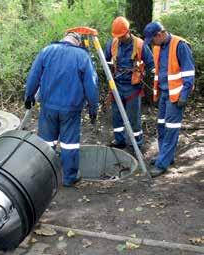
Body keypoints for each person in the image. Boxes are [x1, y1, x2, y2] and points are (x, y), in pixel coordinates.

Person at [24, 31, 99, 187]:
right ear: (77, 42)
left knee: (46, 142)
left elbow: (34, 75)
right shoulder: (82, 56)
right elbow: (91, 85)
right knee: (69, 144)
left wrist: (29, 96)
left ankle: (45, 177)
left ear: (64, 38)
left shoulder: (47, 51)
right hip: (71, 109)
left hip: (48, 107)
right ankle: (69, 178)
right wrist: (93, 108)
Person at [143, 21, 195, 177]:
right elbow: (160, 71)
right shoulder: (158, 47)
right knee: (161, 126)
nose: (151, 43)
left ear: (159, 35)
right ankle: (165, 156)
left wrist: (184, 96)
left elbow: (189, 74)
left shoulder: (180, 45)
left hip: (176, 95)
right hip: (165, 93)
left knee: (171, 129)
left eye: (152, 40)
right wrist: (157, 91)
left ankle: (162, 164)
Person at [105, 16, 154, 150]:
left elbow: (151, 64)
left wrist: (151, 77)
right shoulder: (112, 43)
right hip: (117, 86)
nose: (119, 38)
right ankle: (119, 140)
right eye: (117, 36)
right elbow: (105, 61)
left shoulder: (140, 45)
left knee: (133, 118)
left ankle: (136, 143)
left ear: (128, 31)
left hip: (133, 87)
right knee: (116, 116)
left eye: (121, 35)